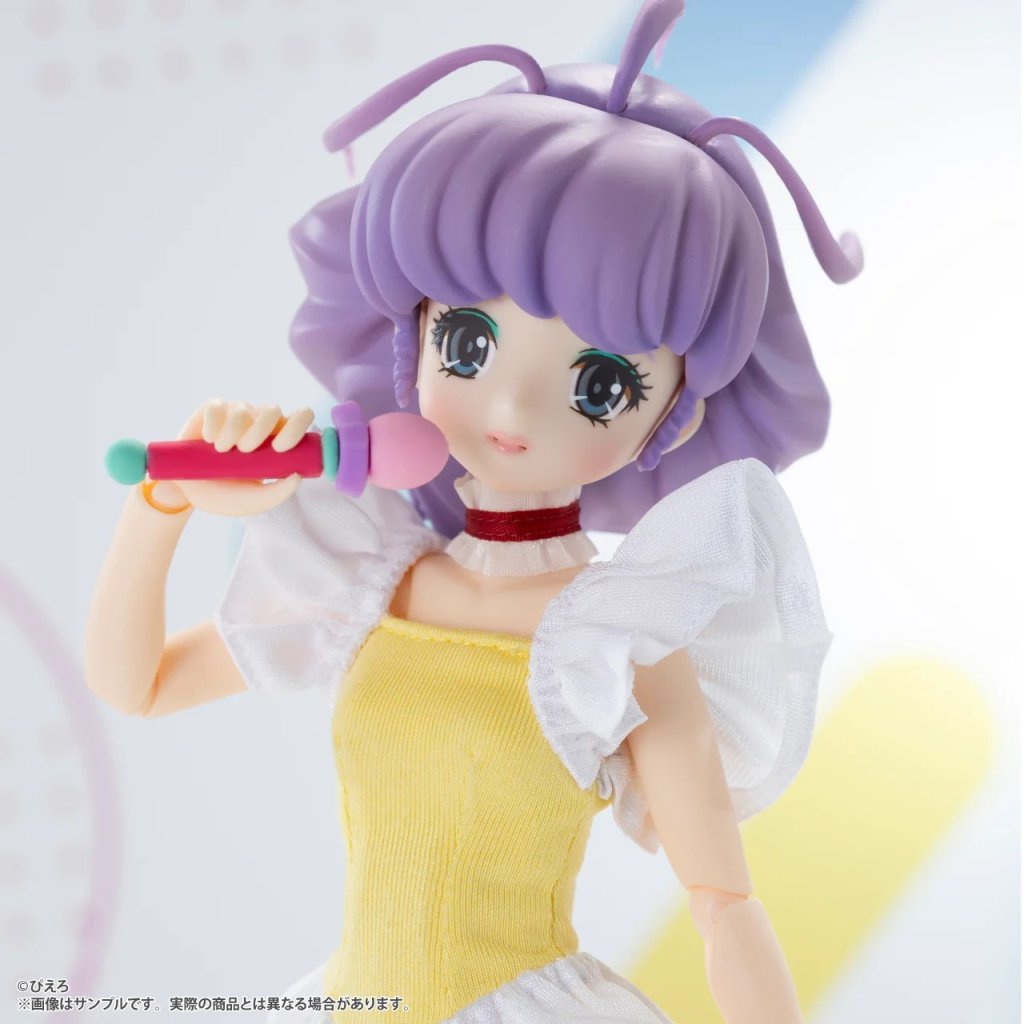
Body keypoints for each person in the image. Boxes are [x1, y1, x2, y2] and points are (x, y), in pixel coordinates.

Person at [85, 1, 860, 1021]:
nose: (509, 410)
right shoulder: (365, 578)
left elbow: (723, 901)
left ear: (674, 416)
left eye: (599, 385)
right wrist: (166, 501)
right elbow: (137, 683)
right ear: (410, 334)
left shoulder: (620, 639)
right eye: (466, 344)